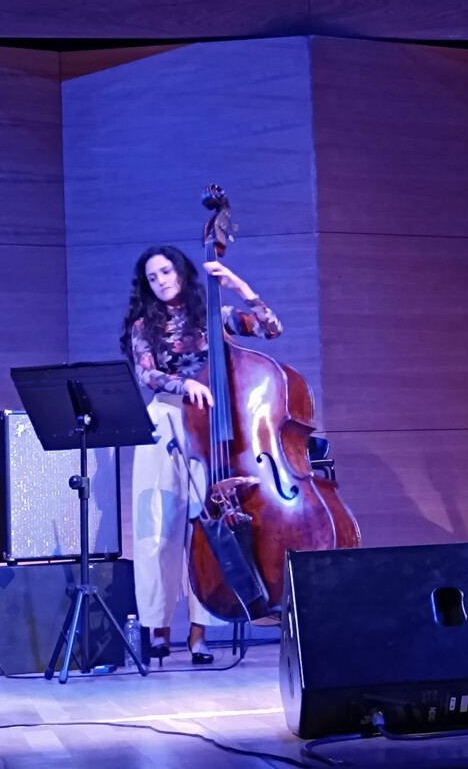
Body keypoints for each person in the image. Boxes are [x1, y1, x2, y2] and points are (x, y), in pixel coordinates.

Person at [118, 244, 282, 665]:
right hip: (166, 419)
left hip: (212, 426)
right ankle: (157, 628)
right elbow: (146, 372)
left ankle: (199, 633)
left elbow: (270, 329)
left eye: (166, 272)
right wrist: (181, 384)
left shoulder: (213, 316)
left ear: (181, 272)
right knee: (159, 525)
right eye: (152, 277)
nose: (161, 281)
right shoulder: (144, 325)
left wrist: (241, 287)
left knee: (208, 530)